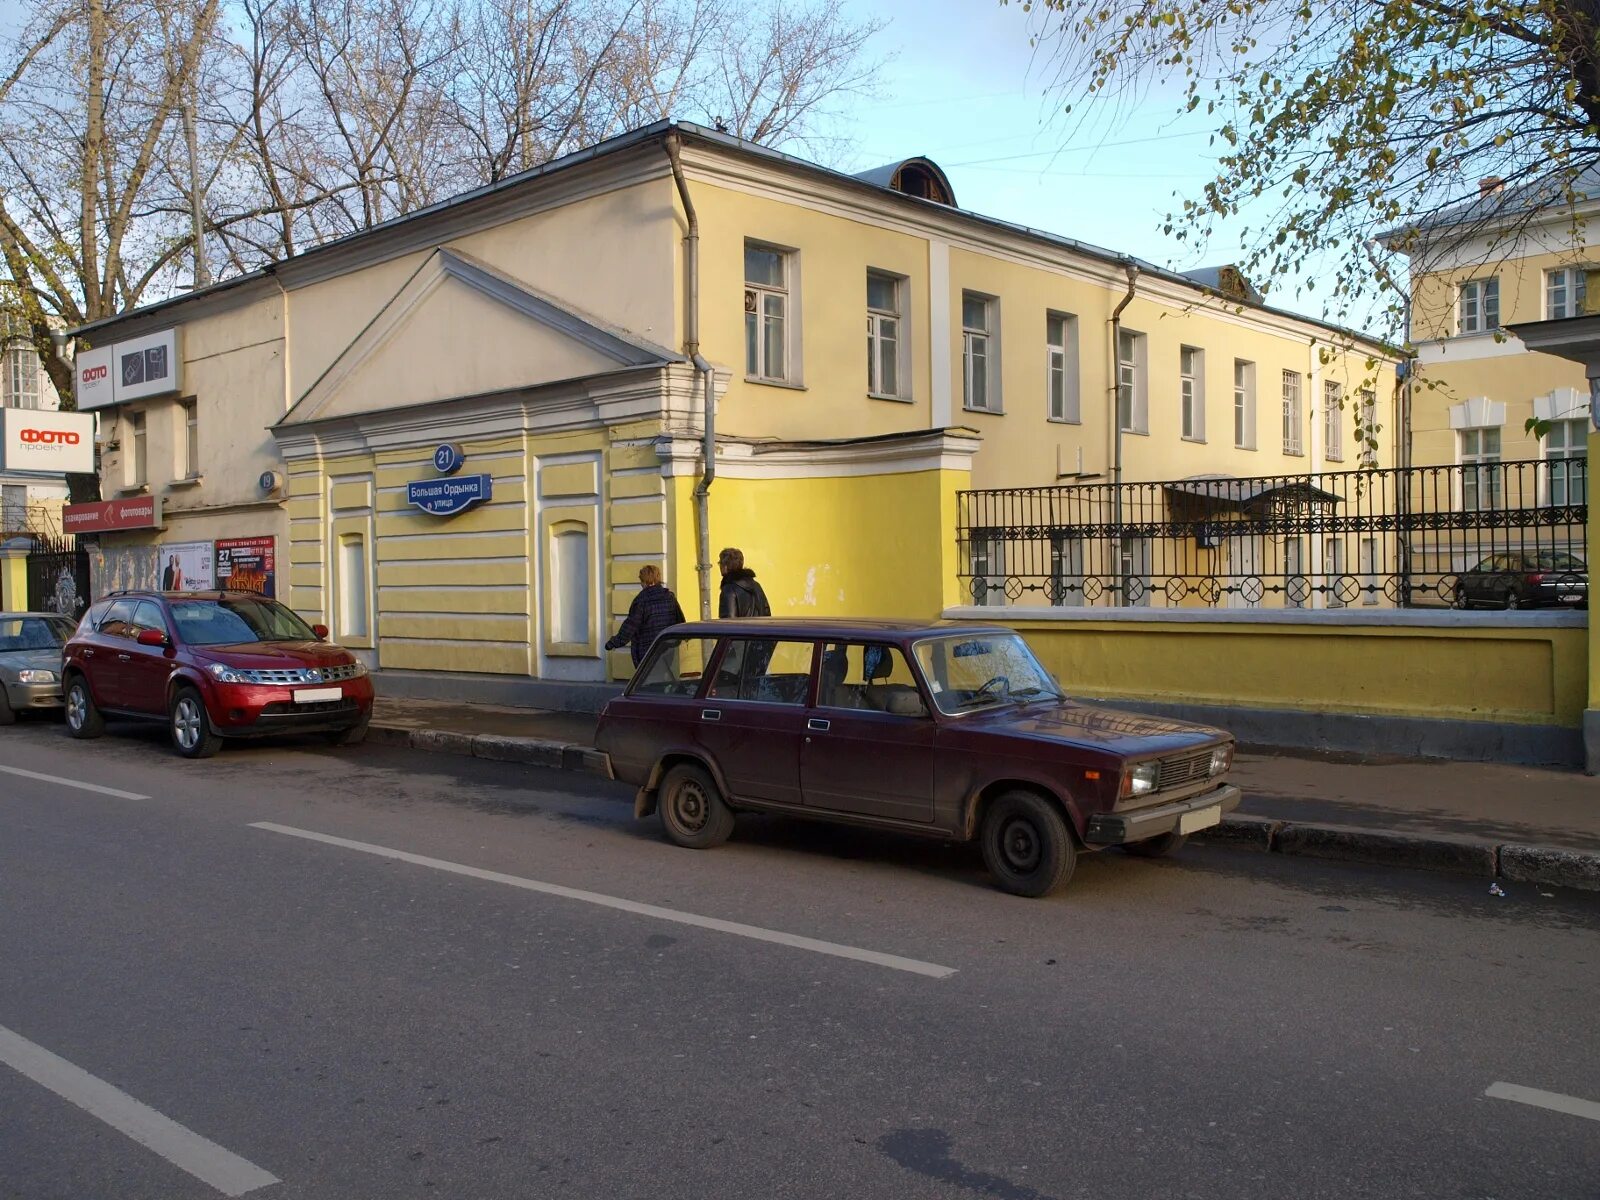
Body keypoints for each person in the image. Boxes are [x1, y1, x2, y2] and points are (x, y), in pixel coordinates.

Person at [605, 565, 686, 667]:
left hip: (647, 651)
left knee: (649, 680)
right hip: (667, 649)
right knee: (662, 677)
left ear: (645, 581)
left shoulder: (641, 601)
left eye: (641, 581)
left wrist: (612, 643)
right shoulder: (670, 597)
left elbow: (630, 628)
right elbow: (680, 622)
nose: (641, 584)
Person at [717, 547, 771, 619]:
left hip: (740, 630)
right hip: (759, 629)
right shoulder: (756, 586)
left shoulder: (729, 590)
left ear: (725, 566)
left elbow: (728, 622)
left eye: (720, 563)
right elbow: (767, 613)